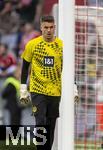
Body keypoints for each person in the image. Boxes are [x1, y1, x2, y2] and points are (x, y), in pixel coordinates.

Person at [20, 15, 79, 149]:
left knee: (50, 125)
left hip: (55, 91)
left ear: (55, 28)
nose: (48, 30)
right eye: (46, 27)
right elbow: (25, 67)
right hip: (37, 90)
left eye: (51, 27)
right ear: (41, 28)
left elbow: (69, 68)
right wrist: (23, 89)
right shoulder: (32, 45)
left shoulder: (62, 45)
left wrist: (74, 87)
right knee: (40, 122)